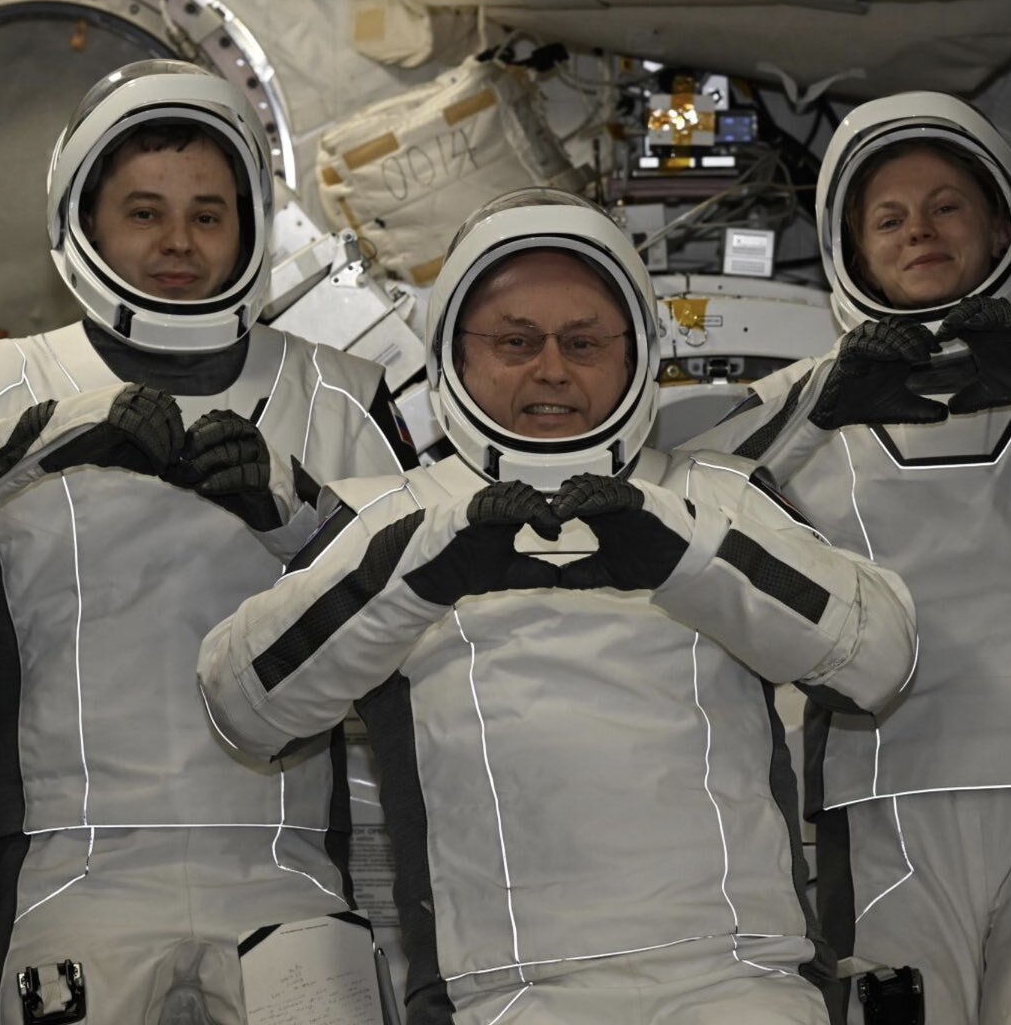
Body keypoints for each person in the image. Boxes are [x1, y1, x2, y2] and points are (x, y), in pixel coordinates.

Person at [194, 188, 920, 1025]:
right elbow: (244, 706)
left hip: (739, 979)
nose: (551, 370)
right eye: (515, 342)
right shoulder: (387, 518)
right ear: (455, 353)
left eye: (583, 343)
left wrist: (686, 554)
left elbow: (879, 663)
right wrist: (420, 569)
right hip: (504, 994)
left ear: (635, 353)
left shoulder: (718, 495)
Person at [0, 60, 412, 1024]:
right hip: (71, 868)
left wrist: (300, 511)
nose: (178, 243)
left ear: (249, 226)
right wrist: (38, 443)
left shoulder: (345, 398)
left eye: (208, 215)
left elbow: (424, 617)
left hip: (286, 864)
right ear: (83, 218)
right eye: (144, 213)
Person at [687, 91, 1011, 1025]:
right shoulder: (804, 408)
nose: (920, 232)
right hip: (881, 800)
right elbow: (677, 507)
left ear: (1000, 226)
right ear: (852, 249)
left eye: (947, 207)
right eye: (890, 219)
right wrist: (830, 398)